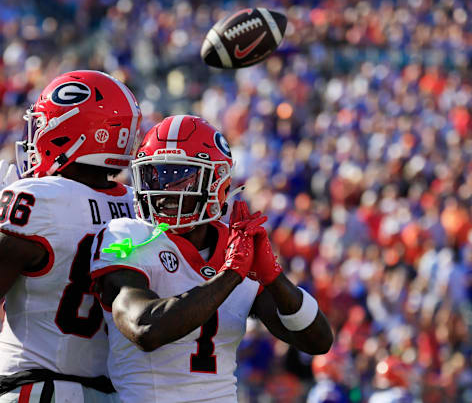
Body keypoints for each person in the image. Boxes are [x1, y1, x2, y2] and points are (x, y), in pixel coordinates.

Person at [90, 115, 334, 402]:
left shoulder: (236, 245)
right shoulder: (127, 235)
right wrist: (230, 274)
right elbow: (145, 329)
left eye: (179, 177)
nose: (164, 189)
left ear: (216, 183)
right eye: (155, 174)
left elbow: (318, 341)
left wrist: (274, 277)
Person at [0, 70, 141, 402]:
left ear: (69, 130)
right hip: (110, 394)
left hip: (38, 390)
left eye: (43, 124)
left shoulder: (35, 199)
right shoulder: (136, 205)